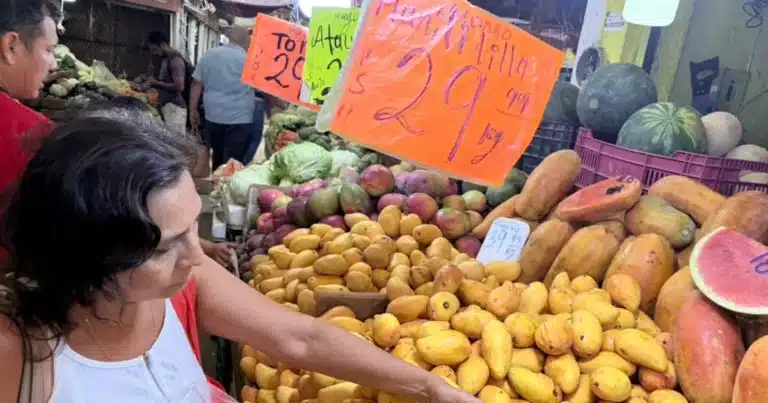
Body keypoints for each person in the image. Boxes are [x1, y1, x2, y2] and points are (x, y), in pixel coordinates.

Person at [0, 108, 480, 403]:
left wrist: (432, 388)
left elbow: (303, 340)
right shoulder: (20, 351)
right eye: (167, 245)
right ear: (85, 254)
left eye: (193, 227)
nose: (196, 255)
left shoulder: (181, 283)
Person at [190, 26, 265, 168]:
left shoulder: (208, 55)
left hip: (213, 116)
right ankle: (224, 186)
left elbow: (196, 84)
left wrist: (192, 110)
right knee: (233, 161)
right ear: (246, 41)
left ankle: (216, 182)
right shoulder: (249, 60)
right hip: (240, 119)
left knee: (217, 154)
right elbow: (262, 88)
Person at [145, 30, 191, 134]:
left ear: (163, 45)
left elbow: (180, 86)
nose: (154, 53)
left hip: (175, 109)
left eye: (155, 49)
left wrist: (157, 83)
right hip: (169, 108)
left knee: (176, 146)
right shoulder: (166, 59)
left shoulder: (175, 60)